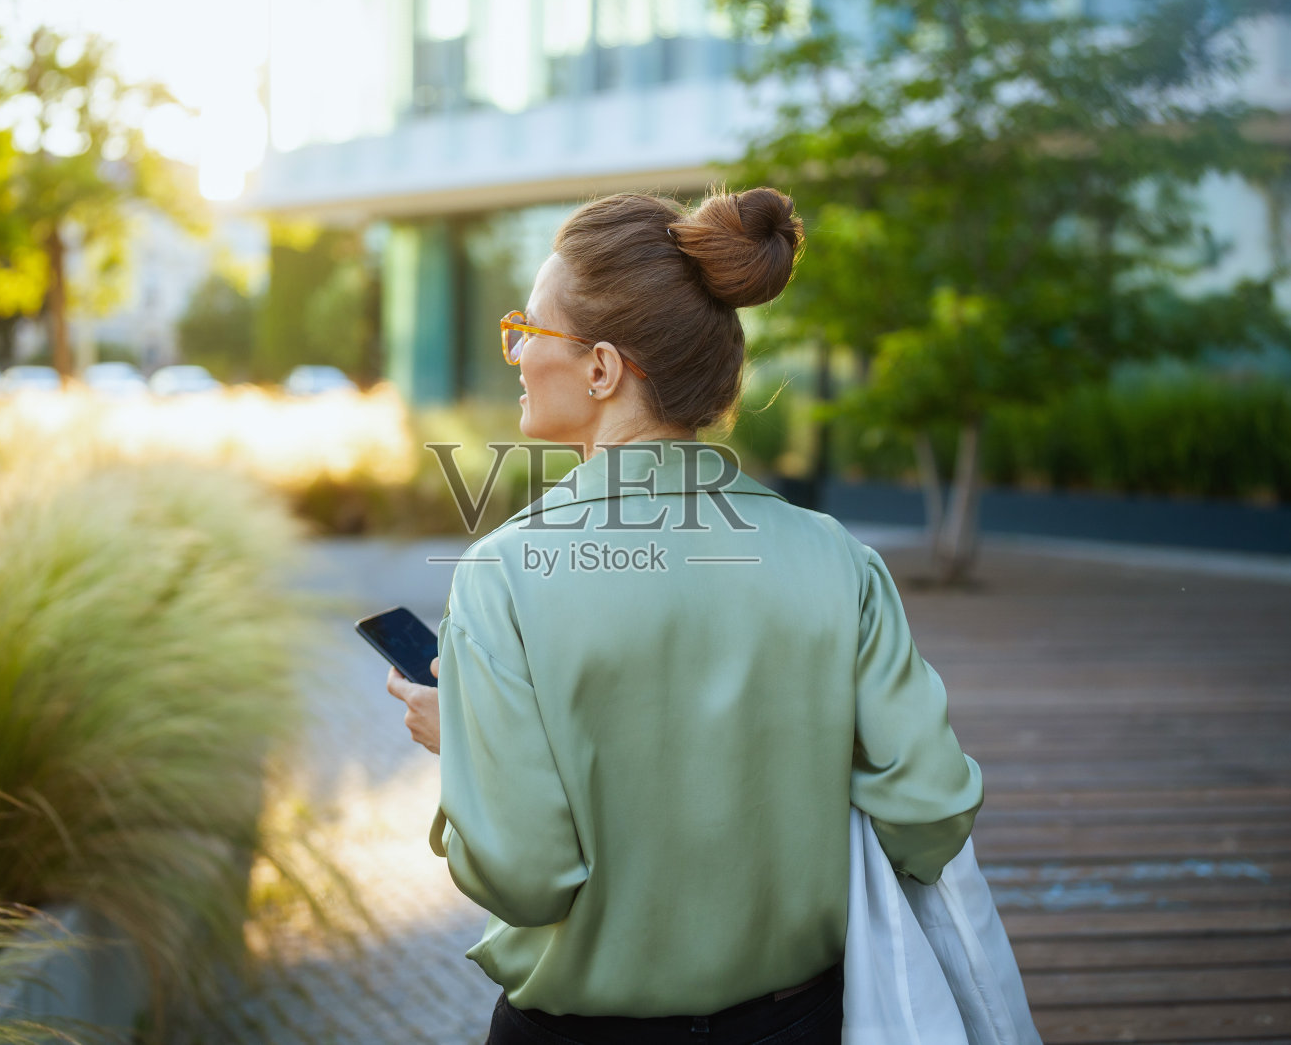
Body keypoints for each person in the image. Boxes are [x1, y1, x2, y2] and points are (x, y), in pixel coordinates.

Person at [384, 187, 984, 1045]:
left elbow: (526, 876)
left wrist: (470, 750)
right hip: (805, 1024)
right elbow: (930, 813)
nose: (514, 353)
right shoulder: (836, 558)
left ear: (601, 368)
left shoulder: (504, 574)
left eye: (528, 331)